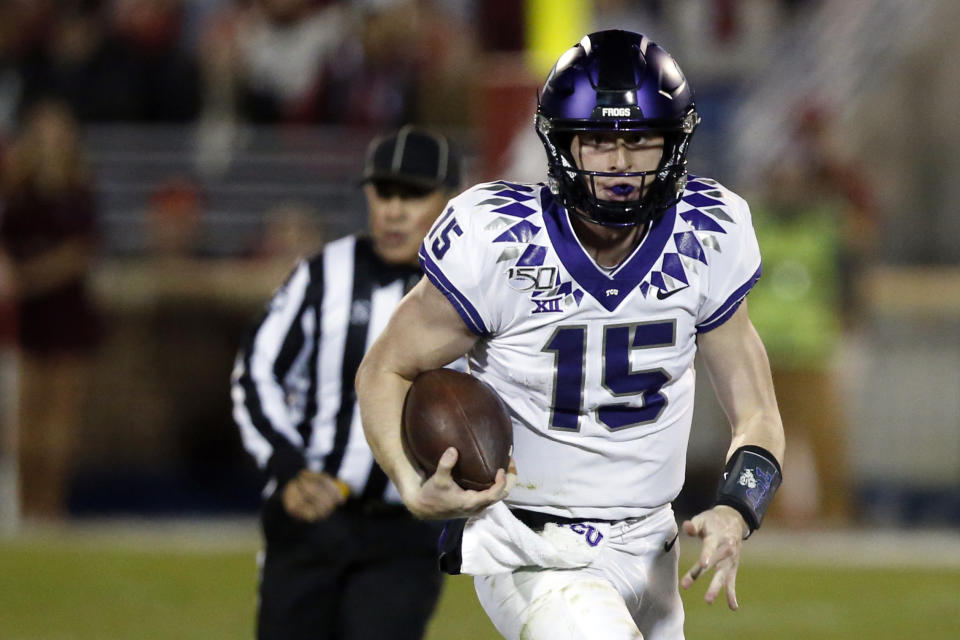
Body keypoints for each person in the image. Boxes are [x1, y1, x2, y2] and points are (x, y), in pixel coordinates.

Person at [356, 30, 786, 640]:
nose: (618, 163)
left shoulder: (707, 234)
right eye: (599, 141)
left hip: (652, 543)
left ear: (674, 141)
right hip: (532, 544)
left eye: (639, 140)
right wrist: (410, 482)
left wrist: (737, 511)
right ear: (563, 144)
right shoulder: (498, 240)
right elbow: (384, 368)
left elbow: (759, 416)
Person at [231, 125, 463, 640]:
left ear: (450, 200)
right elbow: (256, 373)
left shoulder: (473, 292)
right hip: (314, 511)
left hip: (408, 525)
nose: (395, 210)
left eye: (414, 194)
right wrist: (288, 468)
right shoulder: (322, 274)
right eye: (385, 192)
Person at [0, 100, 101, 521]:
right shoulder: (18, 194)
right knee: (24, 416)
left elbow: (79, 254)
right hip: (22, 315)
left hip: (64, 311)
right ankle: (24, 505)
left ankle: (50, 506)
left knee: (60, 416)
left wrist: (30, 276)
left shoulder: (79, 193)